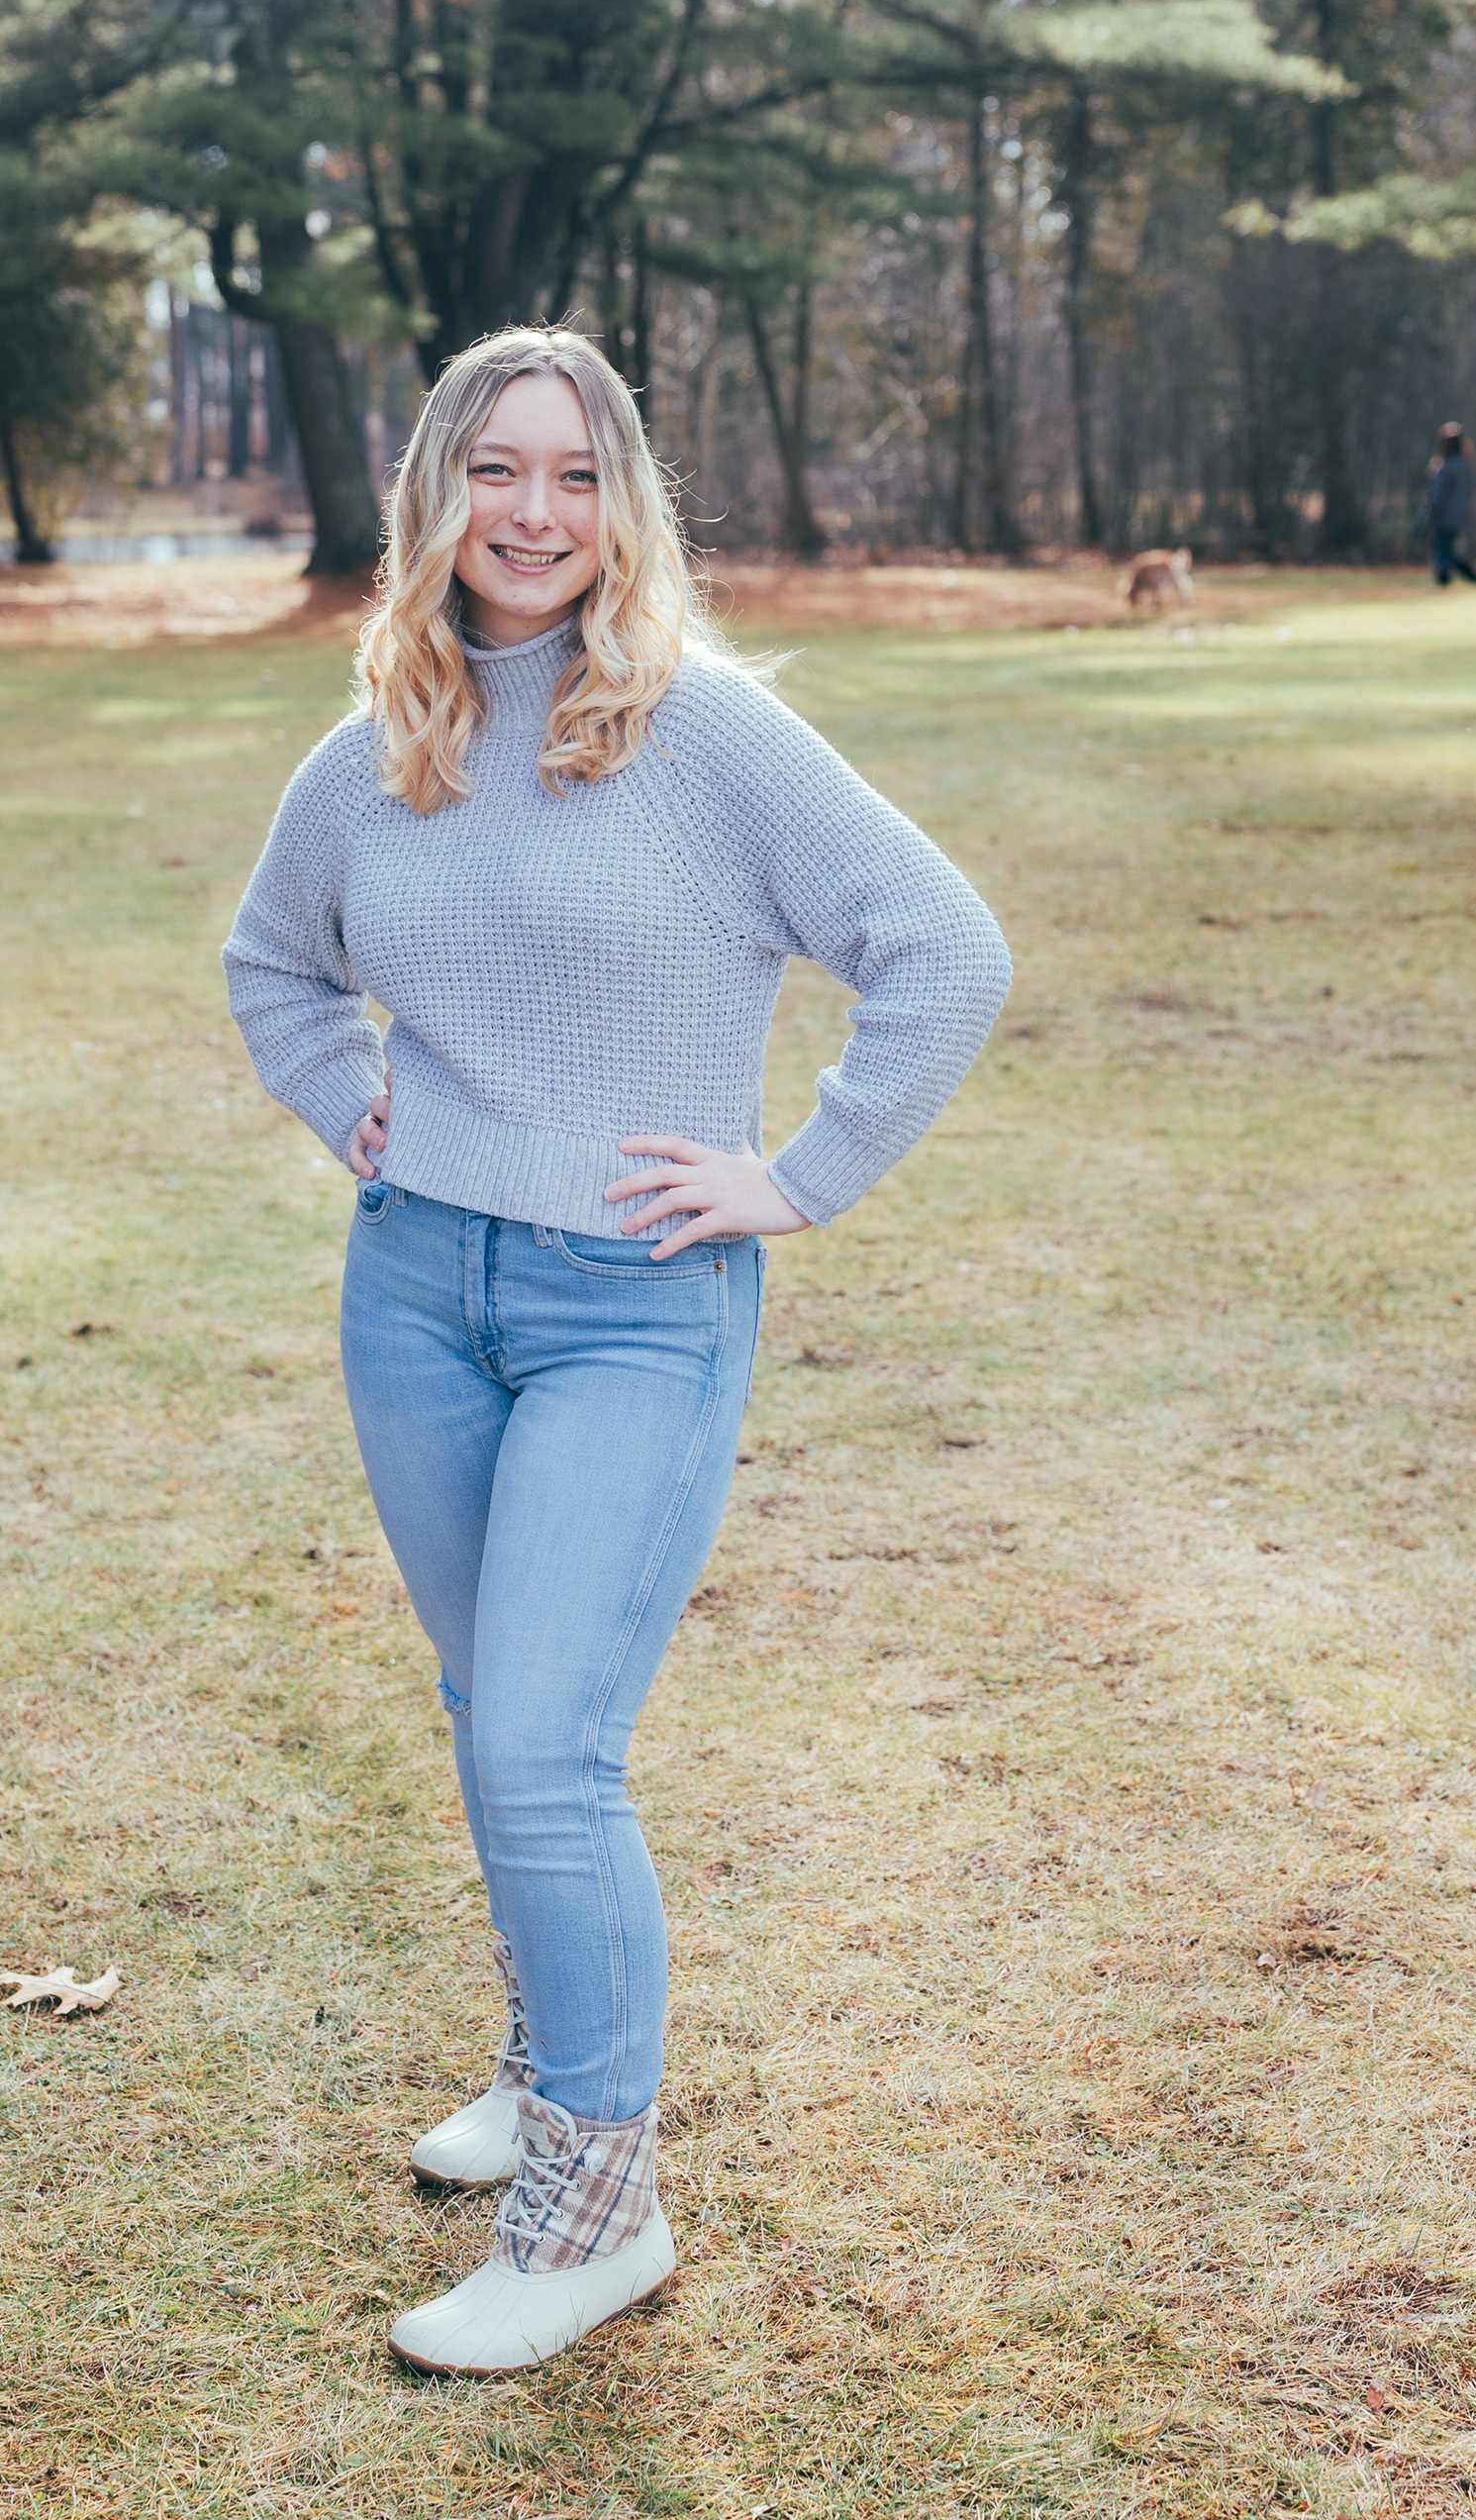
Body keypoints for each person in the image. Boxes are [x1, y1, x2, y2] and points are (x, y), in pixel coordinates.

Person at [223, 328, 1013, 2377]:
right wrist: (344, 1096)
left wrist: (802, 1174)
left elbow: (945, 947)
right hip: (415, 1292)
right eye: (498, 469)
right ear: (436, 494)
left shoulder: (709, 736)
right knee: (489, 1701)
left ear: (626, 502)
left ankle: (601, 2207)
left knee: (540, 1746)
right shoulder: (379, 743)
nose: (536, 511)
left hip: (632, 1305)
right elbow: (272, 961)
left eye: (577, 473)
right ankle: (544, 2055)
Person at [1427, 423, 1476, 585]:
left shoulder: (1444, 466)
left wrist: (1429, 514)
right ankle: (1449, 576)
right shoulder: (1467, 466)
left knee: (1442, 549)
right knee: (1447, 548)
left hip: (1444, 515)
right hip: (1462, 515)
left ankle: (1462, 573)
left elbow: (1438, 495)